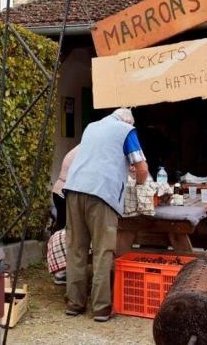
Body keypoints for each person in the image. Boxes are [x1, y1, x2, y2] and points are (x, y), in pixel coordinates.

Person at [62, 108, 148, 322]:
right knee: (103, 249)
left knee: (76, 248)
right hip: (101, 193)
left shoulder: (91, 127)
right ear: (128, 120)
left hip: (73, 189)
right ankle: (101, 308)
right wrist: (139, 186)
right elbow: (141, 167)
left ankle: (74, 303)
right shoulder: (126, 130)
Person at [48, 145, 78, 285]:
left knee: (61, 227)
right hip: (65, 192)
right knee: (65, 230)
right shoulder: (86, 149)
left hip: (60, 190)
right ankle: (61, 270)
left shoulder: (76, 148)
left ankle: (58, 267)